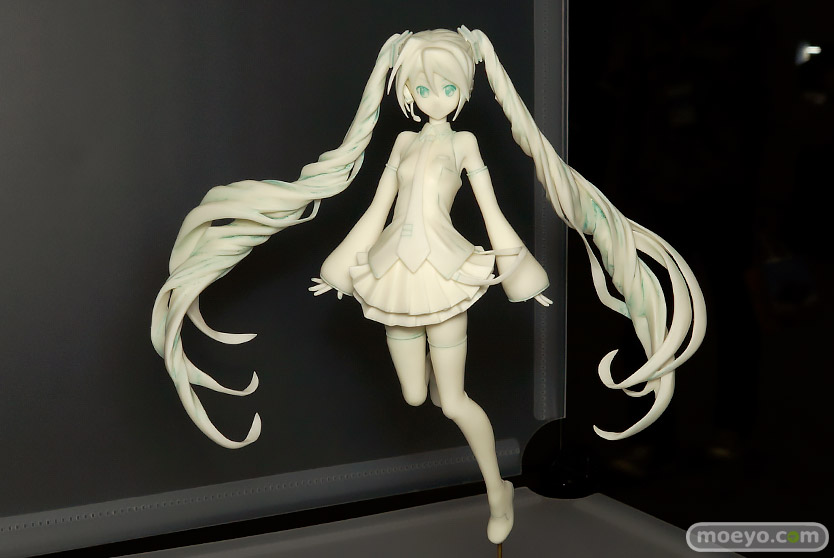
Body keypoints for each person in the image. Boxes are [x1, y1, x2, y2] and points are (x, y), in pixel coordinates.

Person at [152, 27, 705, 545]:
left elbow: (489, 209)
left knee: (454, 400)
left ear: (463, 90)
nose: (435, 97)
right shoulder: (401, 144)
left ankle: (497, 491)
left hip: (445, 273)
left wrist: (520, 273)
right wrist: (340, 268)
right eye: (423, 88)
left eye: (446, 87)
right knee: (419, 396)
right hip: (393, 273)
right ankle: (460, 416)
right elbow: (377, 209)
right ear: (408, 93)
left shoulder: (464, 144)